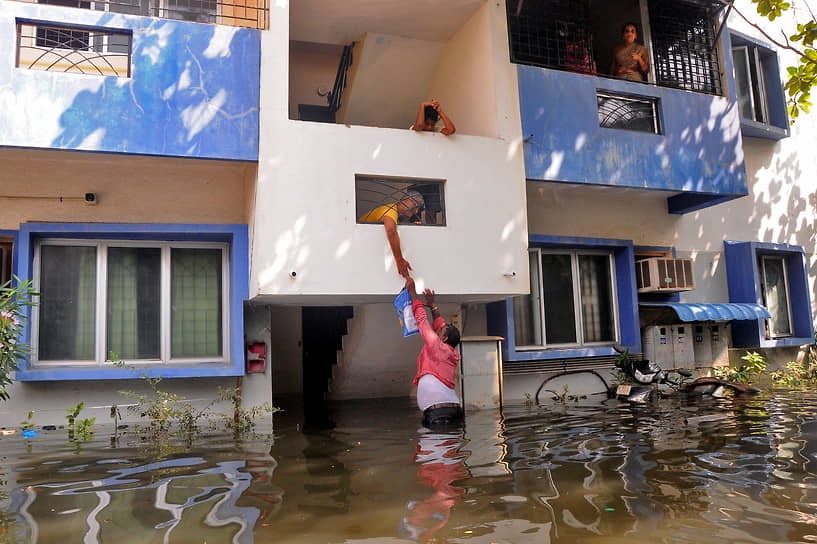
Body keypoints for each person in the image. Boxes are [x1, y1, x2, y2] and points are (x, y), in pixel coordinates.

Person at [405, 276, 463, 427]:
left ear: (443, 338)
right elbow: (440, 324)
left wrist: (412, 293)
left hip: (439, 413)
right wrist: (433, 306)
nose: (436, 331)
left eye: (440, 331)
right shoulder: (451, 352)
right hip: (452, 410)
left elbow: (422, 321)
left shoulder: (436, 345)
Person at [359, 190, 424, 278]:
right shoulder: (391, 210)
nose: (416, 211)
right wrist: (399, 259)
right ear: (406, 199)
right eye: (416, 205)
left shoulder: (398, 216)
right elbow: (391, 230)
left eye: (418, 208)